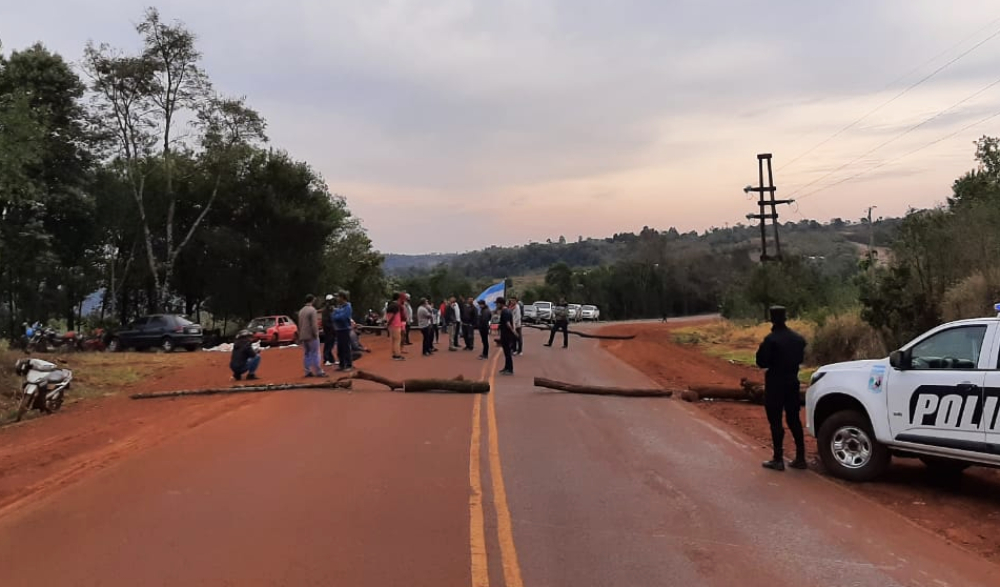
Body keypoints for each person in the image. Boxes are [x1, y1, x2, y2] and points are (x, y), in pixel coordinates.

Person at [756, 305, 808, 472]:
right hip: (793, 382)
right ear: (785, 318)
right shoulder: (798, 339)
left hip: (775, 383)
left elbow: (761, 362)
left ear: (772, 319)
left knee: (775, 421)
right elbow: (800, 359)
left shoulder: (771, 340)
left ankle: (778, 459)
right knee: (794, 419)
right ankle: (800, 458)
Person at [298, 294, 326, 377]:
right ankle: (318, 371)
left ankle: (307, 371)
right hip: (311, 335)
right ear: (312, 300)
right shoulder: (312, 310)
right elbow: (314, 324)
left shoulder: (301, 311)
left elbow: (299, 324)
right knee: (315, 353)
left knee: (307, 353)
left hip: (303, 335)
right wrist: (316, 334)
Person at [333, 291, 354, 372]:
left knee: (346, 347)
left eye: (338, 297)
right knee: (340, 348)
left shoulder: (348, 306)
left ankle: (348, 364)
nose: (337, 298)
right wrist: (337, 314)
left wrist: (337, 314)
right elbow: (333, 317)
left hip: (345, 329)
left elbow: (343, 317)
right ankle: (342, 364)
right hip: (338, 329)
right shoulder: (339, 307)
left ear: (343, 297)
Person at [497, 296, 516, 375]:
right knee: (506, 352)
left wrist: (513, 332)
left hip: (506, 335)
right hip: (505, 334)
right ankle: (506, 367)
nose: (497, 305)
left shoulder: (505, 312)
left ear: (500, 303)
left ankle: (510, 369)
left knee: (507, 352)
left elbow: (508, 323)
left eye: (497, 304)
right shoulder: (506, 311)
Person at [386, 294, 405, 361]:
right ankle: (397, 355)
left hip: (392, 325)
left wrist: (388, 323)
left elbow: (389, 316)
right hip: (395, 325)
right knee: (397, 340)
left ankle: (394, 354)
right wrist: (389, 323)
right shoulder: (396, 306)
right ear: (398, 298)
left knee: (394, 340)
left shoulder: (390, 305)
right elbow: (393, 316)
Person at [322, 294, 337, 367]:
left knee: (331, 344)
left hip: (332, 330)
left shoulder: (332, 309)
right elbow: (325, 322)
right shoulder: (325, 310)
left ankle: (331, 359)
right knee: (328, 345)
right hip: (328, 330)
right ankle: (326, 359)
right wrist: (331, 327)